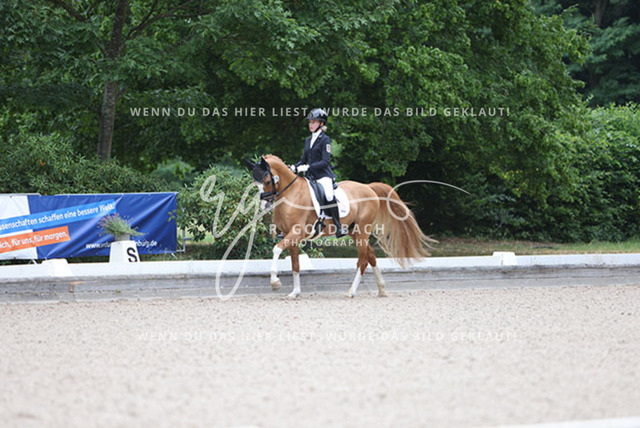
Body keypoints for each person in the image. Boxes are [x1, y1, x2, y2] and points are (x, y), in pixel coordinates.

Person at [290, 108, 346, 238]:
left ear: (321, 124)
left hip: (323, 175)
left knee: (329, 195)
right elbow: (303, 160)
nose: (311, 124)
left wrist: (308, 167)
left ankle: (338, 227)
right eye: (310, 122)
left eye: (314, 122)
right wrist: (294, 167)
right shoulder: (308, 140)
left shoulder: (325, 140)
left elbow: (325, 161)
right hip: (310, 177)